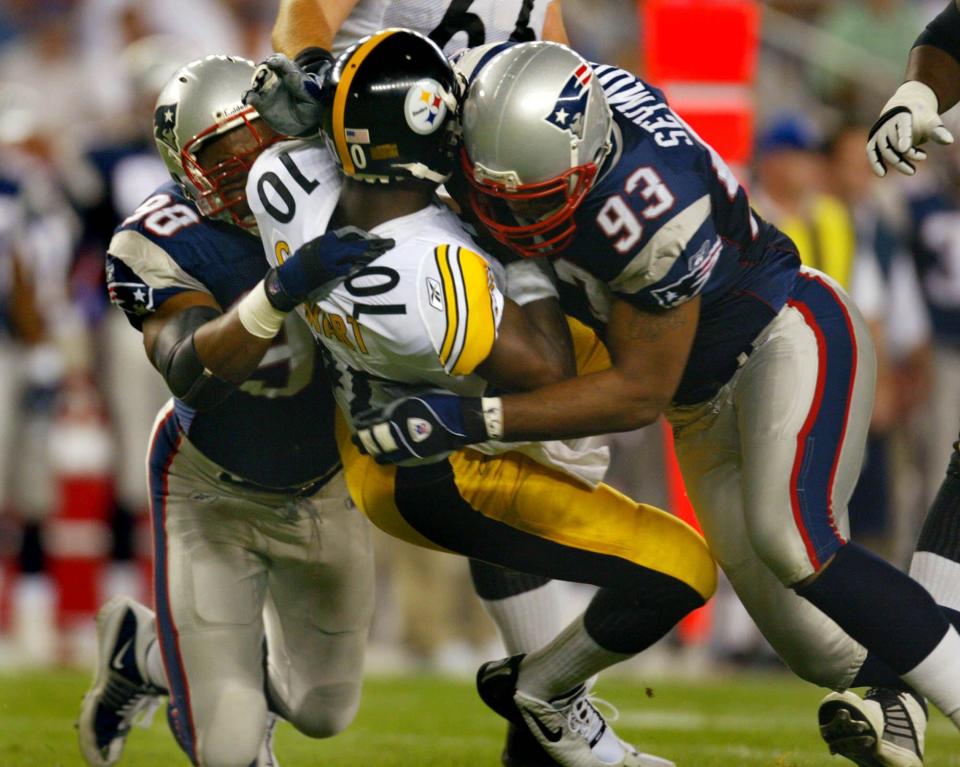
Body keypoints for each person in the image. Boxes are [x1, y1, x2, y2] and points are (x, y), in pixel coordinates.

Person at [351, 40, 960, 767]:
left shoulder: (649, 204)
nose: (517, 216)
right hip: (699, 407)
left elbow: (640, 391)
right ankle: (545, 688)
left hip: (783, 337)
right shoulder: (501, 118)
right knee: (820, 646)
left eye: (537, 198)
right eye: (499, 193)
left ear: (588, 162)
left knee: (792, 535)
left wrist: (476, 420)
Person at [245, 29, 717, 767]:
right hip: (436, 470)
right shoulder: (427, 274)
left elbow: (332, 137)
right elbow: (548, 369)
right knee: (681, 569)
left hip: (372, 426)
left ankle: (533, 734)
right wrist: (511, 238)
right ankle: (545, 697)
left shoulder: (282, 183)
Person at [77, 55, 384, 767]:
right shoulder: (156, 238)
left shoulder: (342, 187)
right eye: (223, 151)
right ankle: (208, 677)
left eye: (259, 137)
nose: (249, 162)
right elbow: (191, 371)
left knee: (323, 708)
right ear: (185, 169)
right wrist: (278, 294)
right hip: (209, 487)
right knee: (231, 746)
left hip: (325, 486)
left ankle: (143, 652)